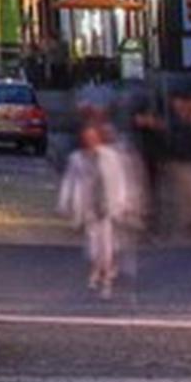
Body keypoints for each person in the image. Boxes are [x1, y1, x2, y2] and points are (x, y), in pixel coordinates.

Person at [57, 115, 148, 298]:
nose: (89, 140)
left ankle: (105, 279)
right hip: (88, 206)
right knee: (92, 246)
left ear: (98, 137)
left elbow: (119, 180)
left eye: (92, 136)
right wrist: (64, 203)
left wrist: (123, 202)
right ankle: (98, 270)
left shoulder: (110, 157)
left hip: (107, 206)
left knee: (106, 246)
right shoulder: (77, 159)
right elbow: (70, 182)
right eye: (86, 137)